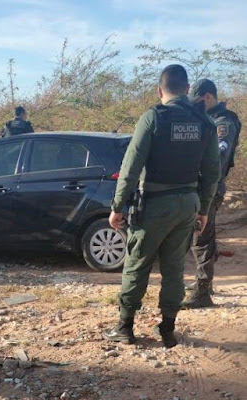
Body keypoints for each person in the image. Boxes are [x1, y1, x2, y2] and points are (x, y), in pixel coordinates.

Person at [102, 65, 220, 348]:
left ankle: (124, 327)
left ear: (159, 90)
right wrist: (203, 209)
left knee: (137, 263)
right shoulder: (205, 123)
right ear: (188, 89)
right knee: (174, 267)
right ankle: (167, 329)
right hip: (187, 204)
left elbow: (131, 167)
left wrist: (117, 206)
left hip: (155, 204)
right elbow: (212, 172)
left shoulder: (153, 118)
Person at [182, 79, 242, 309]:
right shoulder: (209, 120)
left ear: (207, 97)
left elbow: (218, 158)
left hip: (210, 188)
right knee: (203, 238)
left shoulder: (223, 123)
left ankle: (203, 292)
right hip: (202, 187)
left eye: (198, 102)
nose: (196, 107)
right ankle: (203, 283)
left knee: (201, 239)